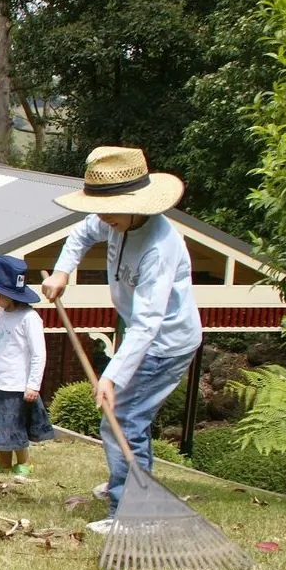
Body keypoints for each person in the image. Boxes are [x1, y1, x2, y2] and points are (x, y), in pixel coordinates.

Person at [40, 146, 201, 534]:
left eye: (108, 211)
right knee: (124, 418)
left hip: (164, 345)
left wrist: (111, 377)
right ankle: (124, 481)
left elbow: (148, 324)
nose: (101, 219)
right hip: (141, 336)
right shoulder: (115, 219)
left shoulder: (159, 248)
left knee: (122, 421)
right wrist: (62, 273)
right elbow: (80, 234)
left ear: (138, 204)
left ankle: (132, 513)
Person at [0, 255, 53, 476]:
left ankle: (23, 462)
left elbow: (38, 354)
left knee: (14, 428)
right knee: (0, 428)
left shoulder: (29, 318)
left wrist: (33, 385)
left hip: (17, 386)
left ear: (8, 293)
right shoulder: (0, 314)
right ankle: (4, 463)